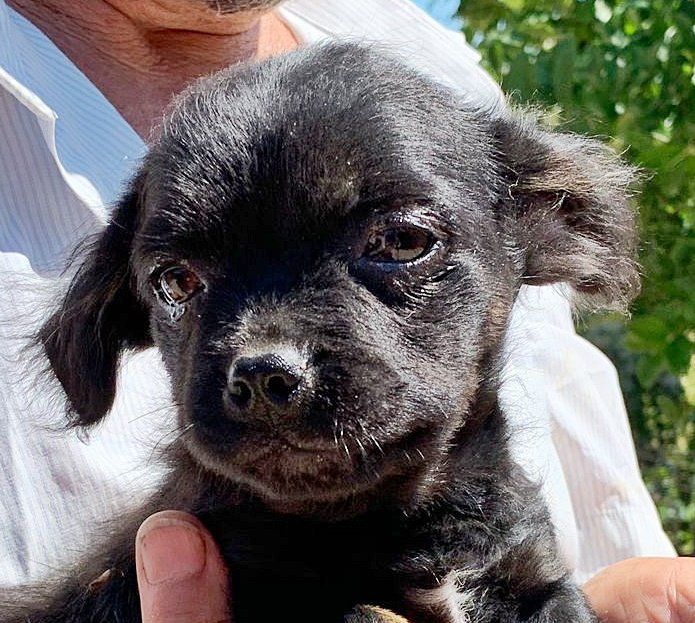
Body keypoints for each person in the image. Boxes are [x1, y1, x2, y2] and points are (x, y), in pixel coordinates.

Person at [0, 0, 690, 621]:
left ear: (542, 226)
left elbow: (605, 533)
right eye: (181, 283)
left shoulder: (439, 65)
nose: (264, 361)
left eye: (399, 244)